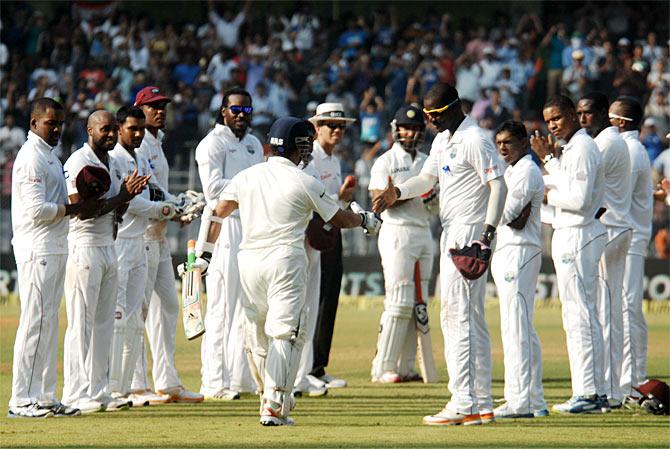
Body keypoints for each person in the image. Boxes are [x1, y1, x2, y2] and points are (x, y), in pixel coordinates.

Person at [191, 117, 380, 426]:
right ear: (302, 145)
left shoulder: (246, 176)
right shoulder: (304, 180)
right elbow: (339, 219)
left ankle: (270, 395)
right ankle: (274, 405)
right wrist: (366, 221)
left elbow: (216, 212)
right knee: (286, 333)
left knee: (256, 332)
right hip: (285, 261)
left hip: (248, 261)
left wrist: (203, 256)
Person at [373, 83, 507, 426]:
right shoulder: (443, 139)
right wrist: (397, 193)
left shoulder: (475, 139)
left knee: (457, 317)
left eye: (434, 114)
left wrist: (486, 236)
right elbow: (425, 179)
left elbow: (499, 186)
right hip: (452, 231)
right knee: (469, 318)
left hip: (468, 232)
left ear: (455, 107)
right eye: (428, 115)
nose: (429, 121)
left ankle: (463, 402)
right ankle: (481, 403)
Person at [8, 98, 100, 418]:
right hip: (38, 249)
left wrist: (81, 200)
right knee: (35, 324)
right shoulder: (31, 158)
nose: (57, 128)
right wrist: (75, 209)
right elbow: (36, 211)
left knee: (48, 326)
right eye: (51, 123)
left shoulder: (50, 155)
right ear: (34, 124)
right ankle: (21, 400)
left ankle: (45, 396)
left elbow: (59, 202)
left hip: (55, 247)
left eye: (60, 123)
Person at [61, 110, 148, 413]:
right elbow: (83, 211)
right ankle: (74, 393)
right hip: (84, 247)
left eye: (113, 130)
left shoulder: (112, 161)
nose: (111, 135)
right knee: (81, 324)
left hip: (109, 245)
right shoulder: (78, 162)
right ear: (89, 130)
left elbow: (114, 211)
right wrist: (122, 195)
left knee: (103, 325)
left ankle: (99, 391)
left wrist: (125, 198)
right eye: (105, 130)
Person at [530, 94, 607, 414]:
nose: (552, 126)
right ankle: (595, 392)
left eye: (558, 118)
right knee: (578, 314)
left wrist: (548, 169)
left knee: (580, 316)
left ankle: (588, 392)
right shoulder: (573, 149)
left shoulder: (584, 148)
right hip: (570, 233)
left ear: (574, 116)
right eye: (548, 121)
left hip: (578, 233)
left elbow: (578, 200)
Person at [133, 86, 203, 403]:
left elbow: (159, 189)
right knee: (140, 311)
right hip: (141, 236)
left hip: (158, 237)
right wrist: (175, 207)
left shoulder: (157, 143)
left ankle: (167, 381)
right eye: (153, 107)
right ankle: (136, 384)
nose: (160, 111)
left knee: (168, 307)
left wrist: (180, 208)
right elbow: (148, 191)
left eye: (163, 106)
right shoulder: (138, 144)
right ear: (139, 109)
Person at [195, 86, 263, 400]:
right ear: (223, 111)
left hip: (250, 225)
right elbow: (213, 191)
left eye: (246, 110)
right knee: (221, 306)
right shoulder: (212, 143)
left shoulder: (252, 143)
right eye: (235, 110)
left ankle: (239, 378)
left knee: (246, 306)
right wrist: (251, 186)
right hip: (222, 227)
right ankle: (213, 381)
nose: (241, 115)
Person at [107, 105, 177, 404]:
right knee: (123, 316)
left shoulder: (139, 156)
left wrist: (178, 205)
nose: (137, 134)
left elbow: (155, 190)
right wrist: (162, 210)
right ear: (119, 129)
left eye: (139, 129)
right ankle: (124, 386)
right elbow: (131, 202)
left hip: (141, 240)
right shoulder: (116, 159)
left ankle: (130, 388)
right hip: (123, 241)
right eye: (131, 129)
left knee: (137, 316)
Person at [368, 104, 434, 384]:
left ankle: (407, 366)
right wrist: (404, 194)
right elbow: (378, 200)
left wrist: (428, 199)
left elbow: (433, 203)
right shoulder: (385, 162)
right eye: (406, 127)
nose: (412, 132)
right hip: (397, 232)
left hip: (423, 231)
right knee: (397, 302)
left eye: (417, 128)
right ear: (397, 130)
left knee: (418, 303)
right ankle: (382, 368)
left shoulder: (428, 160)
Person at [576, 92, 632, 409]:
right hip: (617, 226)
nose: (582, 119)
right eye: (579, 114)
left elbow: (584, 190)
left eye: (587, 113)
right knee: (608, 310)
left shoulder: (604, 143)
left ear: (603, 115)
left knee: (607, 312)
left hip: (610, 228)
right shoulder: (611, 141)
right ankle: (611, 386)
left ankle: (609, 391)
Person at [490, 121, 547, 418]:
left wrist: (491, 208)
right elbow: (510, 214)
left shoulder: (526, 170)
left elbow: (510, 214)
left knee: (516, 328)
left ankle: (519, 401)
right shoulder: (511, 170)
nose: (502, 147)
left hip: (519, 252)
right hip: (510, 249)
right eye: (499, 142)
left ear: (524, 142)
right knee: (521, 326)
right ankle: (534, 399)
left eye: (508, 142)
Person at [307, 103, 357, 390]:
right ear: (317, 128)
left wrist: (343, 197)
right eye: (331, 125)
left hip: (332, 230)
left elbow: (333, 203)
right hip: (314, 231)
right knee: (313, 298)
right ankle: (308, 367)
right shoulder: (309, 158)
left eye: (341, 127)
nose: (337, 131)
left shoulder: (333, 161)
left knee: (329, 299)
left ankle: (319, 365)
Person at [608, 98, 653, 403]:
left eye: (608, 117)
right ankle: (627, 381)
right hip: (628, 237)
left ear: (621, 122)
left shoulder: (631, 151)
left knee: (628, 309)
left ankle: (633, 383)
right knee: (624, 309)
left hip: (632, 239)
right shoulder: (631, 150)